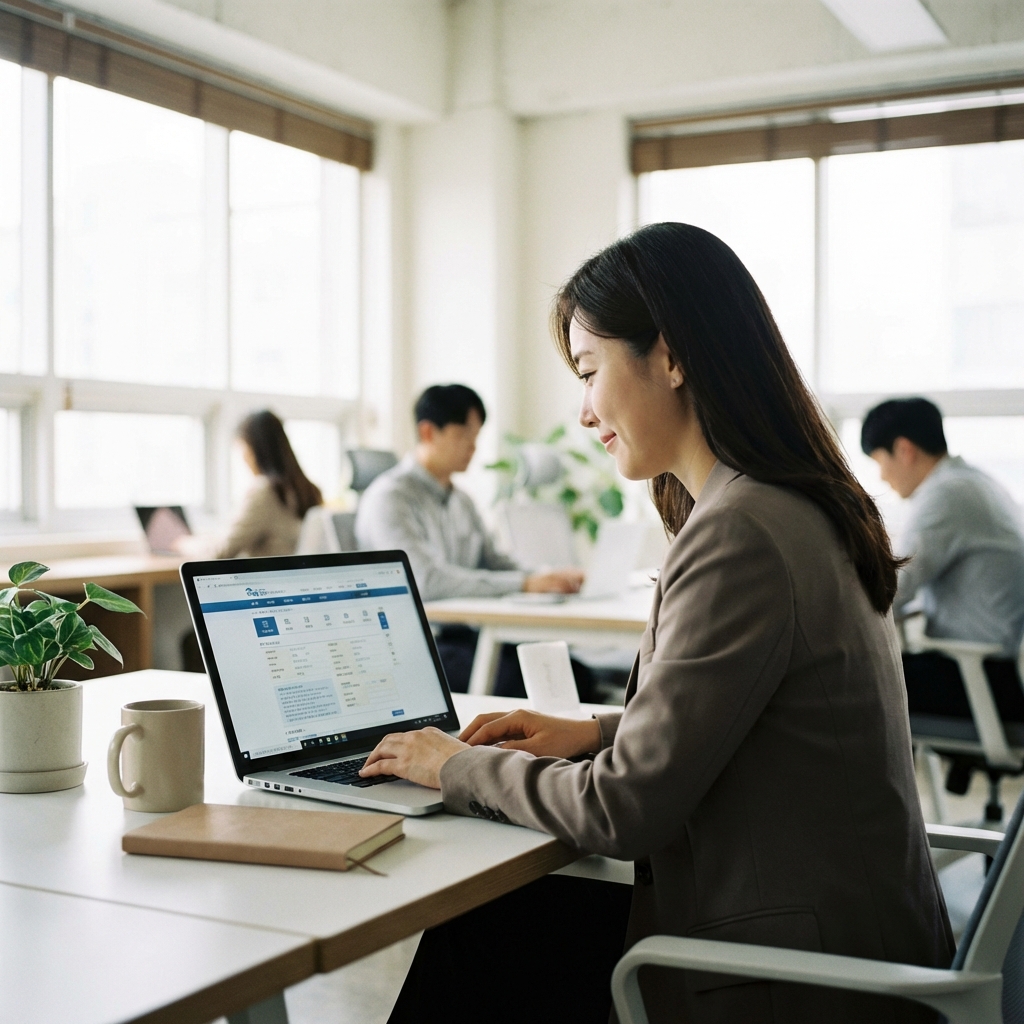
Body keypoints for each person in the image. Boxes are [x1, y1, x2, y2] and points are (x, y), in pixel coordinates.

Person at [358, 223, 953, 1024]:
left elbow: (622, 812)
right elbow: (756, 717)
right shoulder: (791, 502)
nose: (582, 413)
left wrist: (449, 767)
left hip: (796, 971)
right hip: (853, 929)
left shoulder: (741, 529)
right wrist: (594, 733)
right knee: (492, 928)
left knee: (478, 939)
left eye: (590, 370)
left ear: (671, 357)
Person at [355, 384, 586, 694]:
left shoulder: (460, 500)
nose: (472, 448)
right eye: (464, 437)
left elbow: (493, 560)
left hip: (466, 635)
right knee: (532, 684)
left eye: (475, 438)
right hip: (416, 645)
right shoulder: (391, 499)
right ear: (428, 433)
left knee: (575, 675)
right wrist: (524, 585)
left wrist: (542, 577)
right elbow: (427, 582)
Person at [861, 398, 1024, 786]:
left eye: (880, 461)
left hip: (982, 684)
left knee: (845, 685)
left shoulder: (945, 497)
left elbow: (888, 590)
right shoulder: (974, 483)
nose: (883, 477)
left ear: (904, 449)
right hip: (994, 675)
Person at [218, 410, 323, 558]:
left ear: (252, 450)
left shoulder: (264, 492)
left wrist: (188, 545)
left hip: (266, 579)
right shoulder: (307, 489)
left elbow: (222, 552)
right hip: (294, 578)